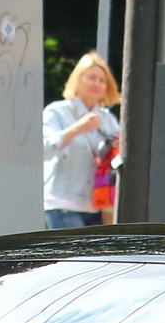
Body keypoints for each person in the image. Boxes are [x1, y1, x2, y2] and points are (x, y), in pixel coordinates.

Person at [42, 52, 120, 229]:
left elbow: (118, 161)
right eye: (91, 77)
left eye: (102, 80)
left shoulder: (109, 120)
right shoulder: (56, 112)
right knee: (73, 257)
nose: (97, 83)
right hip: (63, 203)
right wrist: (77, 128)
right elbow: (44, 149)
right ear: (77, 80)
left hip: (98, 206)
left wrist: (117, 147)